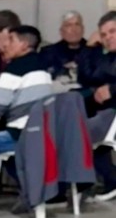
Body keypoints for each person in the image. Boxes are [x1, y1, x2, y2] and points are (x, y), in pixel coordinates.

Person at [0, 24, 54, 199]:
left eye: (11, 40)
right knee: (8, 156)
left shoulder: (14, 71)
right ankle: (32, 192)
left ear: (24, 45)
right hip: (44, 134)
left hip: (20, 135)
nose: (6, 45)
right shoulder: (44, 69)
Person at [82, 10, 116, 194]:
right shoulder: (108, 57)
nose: (108, 37)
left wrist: (111, 89)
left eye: (112, 32)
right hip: (105, 111)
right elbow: (87, 77)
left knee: (78, 133)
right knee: (75, 126)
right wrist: (89, 48)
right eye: (104, 35)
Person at [39, 10, 92, 77]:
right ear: (61, 31)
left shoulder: (93, 50)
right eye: (68, 25)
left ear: (83, 29)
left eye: (77, 24)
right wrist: (64, 68)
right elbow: (44, 75)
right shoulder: (48, 52)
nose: (74, 29)